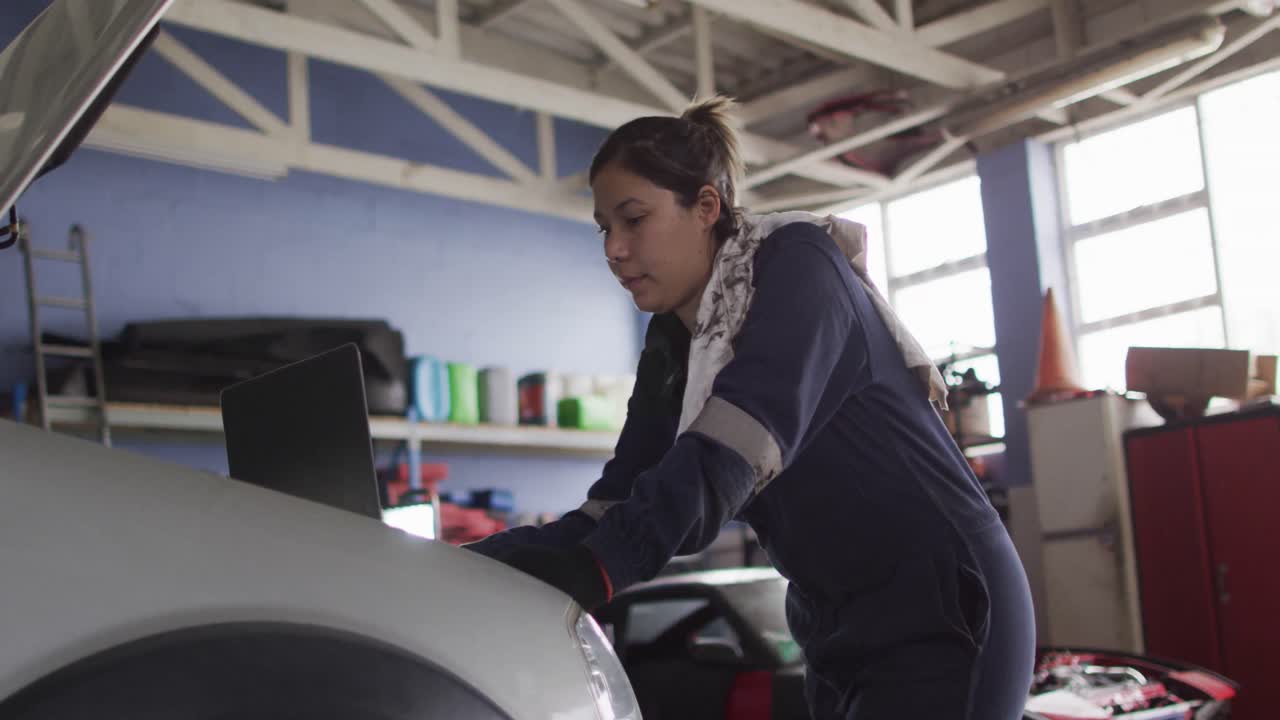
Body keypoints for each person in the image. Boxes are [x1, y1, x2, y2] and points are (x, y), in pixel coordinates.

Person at [465, 96, 1035, 720]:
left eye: (634, 220)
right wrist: (470, 569)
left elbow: (734, 449)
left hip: (941, 607)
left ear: (706, 206)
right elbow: (620, 503)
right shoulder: (675, 340)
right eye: (605, 228)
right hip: (835, 622)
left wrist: (596, 570)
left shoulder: (797, 266)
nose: (615, 251)